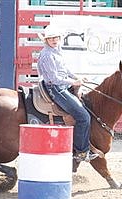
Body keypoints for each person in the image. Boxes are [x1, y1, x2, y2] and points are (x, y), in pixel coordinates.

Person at [37, 25, 99, 162]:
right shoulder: (47, 55)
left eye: (56, 37)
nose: (54, 40)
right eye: (50, 38)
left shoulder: (56, 50)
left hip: (62, 85)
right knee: (83, 117)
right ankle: (82, 152)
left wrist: (77, 77)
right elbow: (54, 79)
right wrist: (74, 83)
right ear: (46, 40)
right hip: (56, 89)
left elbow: (65, 69)